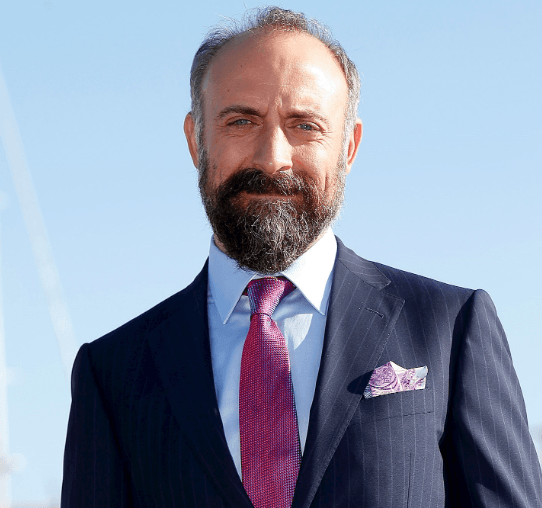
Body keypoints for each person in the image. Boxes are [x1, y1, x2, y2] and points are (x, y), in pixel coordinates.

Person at [61, 6, 542, 508]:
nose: (273, 158)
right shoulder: (112, 373)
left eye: (305, 125)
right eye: (241, 121)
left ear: (348, 147)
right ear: (195, 141)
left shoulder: (449, 328)